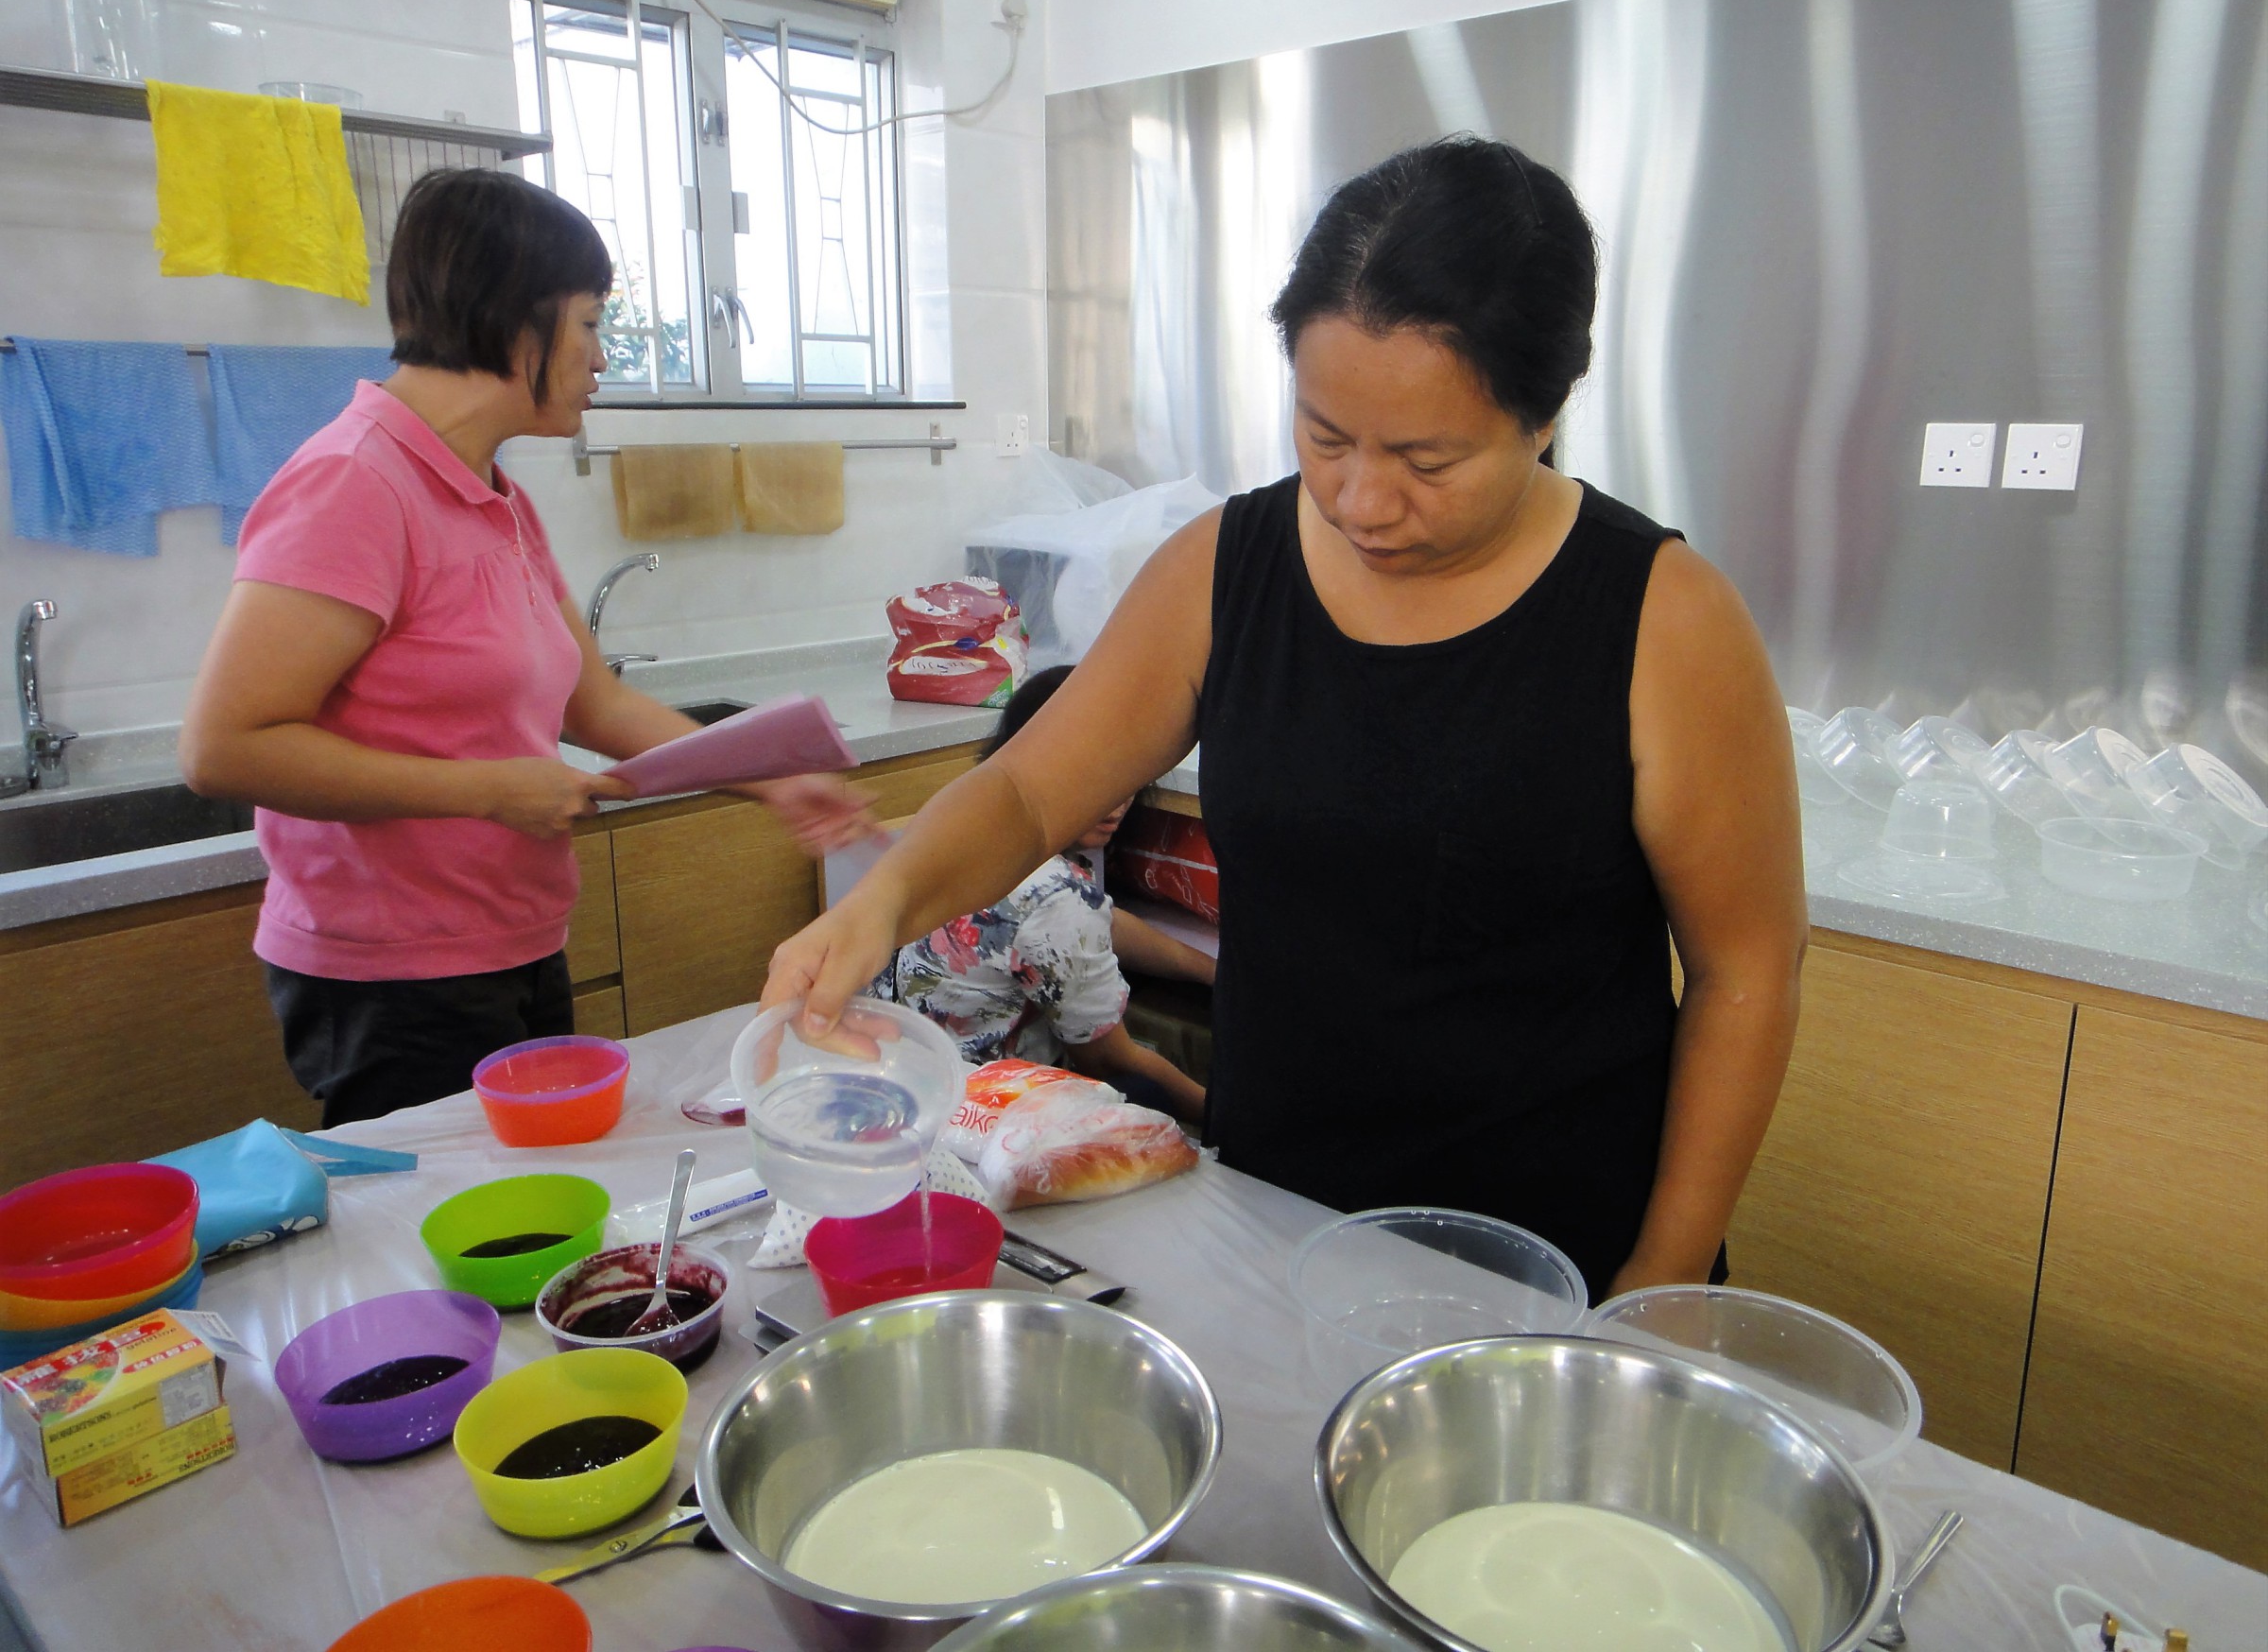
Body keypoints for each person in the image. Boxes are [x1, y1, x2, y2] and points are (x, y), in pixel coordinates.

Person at [762, 137, 1806, 1299]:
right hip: (1276, 1224)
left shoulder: (1663, 619)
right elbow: (1027, 788)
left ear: (1547, 410)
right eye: (1325, 436)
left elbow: (1747, 971)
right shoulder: (1225, 570)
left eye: (1426, 460)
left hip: (1556, 1262)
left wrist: (1661, 1282)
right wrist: (887, 901)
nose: (1363, 500)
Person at [181, 169, 870, 1128]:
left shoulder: (494, 494)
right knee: (455, 1215)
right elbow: (225, 747)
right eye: (589, 323)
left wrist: (772, 779)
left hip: (513, 939)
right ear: (517, 322)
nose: (601, 356)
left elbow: (598, 705)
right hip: (395, 974)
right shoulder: (353, 483)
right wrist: (489, 791)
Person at [871, 665, 1212, 1120]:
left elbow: (1097, 921)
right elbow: (1109, 1060)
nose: (1117, 801)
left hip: (894, 1069)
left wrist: (1210, 970)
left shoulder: (968, 823)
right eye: (1091, 772)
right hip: (971, 1111)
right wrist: (1227, 1121)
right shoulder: (1058, 896)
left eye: (1129, 771)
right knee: (1144, 1095)